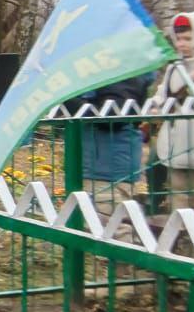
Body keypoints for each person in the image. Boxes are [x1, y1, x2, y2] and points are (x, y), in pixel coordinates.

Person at [147, 11, 194, 219]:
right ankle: (181, 239)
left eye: (188, 38)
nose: (181, 44)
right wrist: (156, 107)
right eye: (178, 38)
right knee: (180, 211)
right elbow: (162, 95)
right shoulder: (175, 67)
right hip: (176, 152)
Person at [63, 71, 155, 216]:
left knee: (108, 223)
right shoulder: (107, 74)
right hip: (95, 164)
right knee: (95, 222)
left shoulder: (121, 75)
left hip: (108, 169)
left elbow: (113, 117)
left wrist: (69, 100)